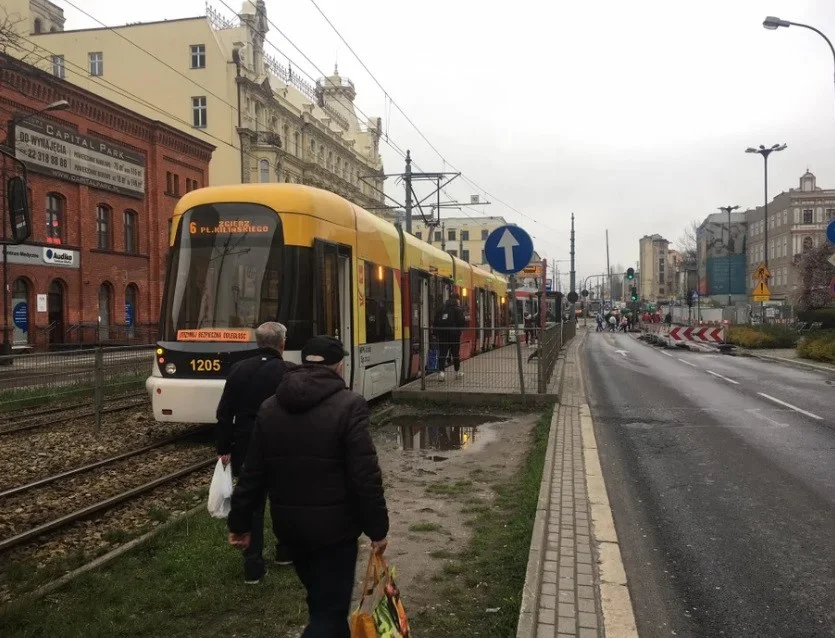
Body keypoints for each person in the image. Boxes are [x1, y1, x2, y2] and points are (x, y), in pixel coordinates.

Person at [228, 336, 388, 637]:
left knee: (323, 606)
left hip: (291, 531)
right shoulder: (350, 405)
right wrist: (378, 529)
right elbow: (364, 476)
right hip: (336, 533)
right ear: (339, 366)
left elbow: (252, 474)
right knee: (328, 615)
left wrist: (240, 523)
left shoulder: (270, 407)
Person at [216, 322, 295, 583]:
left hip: (246, 444)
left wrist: (224, 448)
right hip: (281, 444)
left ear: (257, 342)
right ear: (282, 344)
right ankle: (284, 552)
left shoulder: (239, 370)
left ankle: (253, 565)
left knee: (253, 503)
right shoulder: (287, 372)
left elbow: (225, 412)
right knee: (283, 500)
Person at [434, 292, 467, 381]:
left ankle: (441, 373)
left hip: (443, 335)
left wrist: (436, 333)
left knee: (442, 353)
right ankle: (457, 372)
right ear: (457, 299)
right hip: (454, 336)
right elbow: (461, 322)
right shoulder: (458, 309)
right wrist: (460, 330)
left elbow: (436, 321)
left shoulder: (441, 308)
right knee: (455, 354)